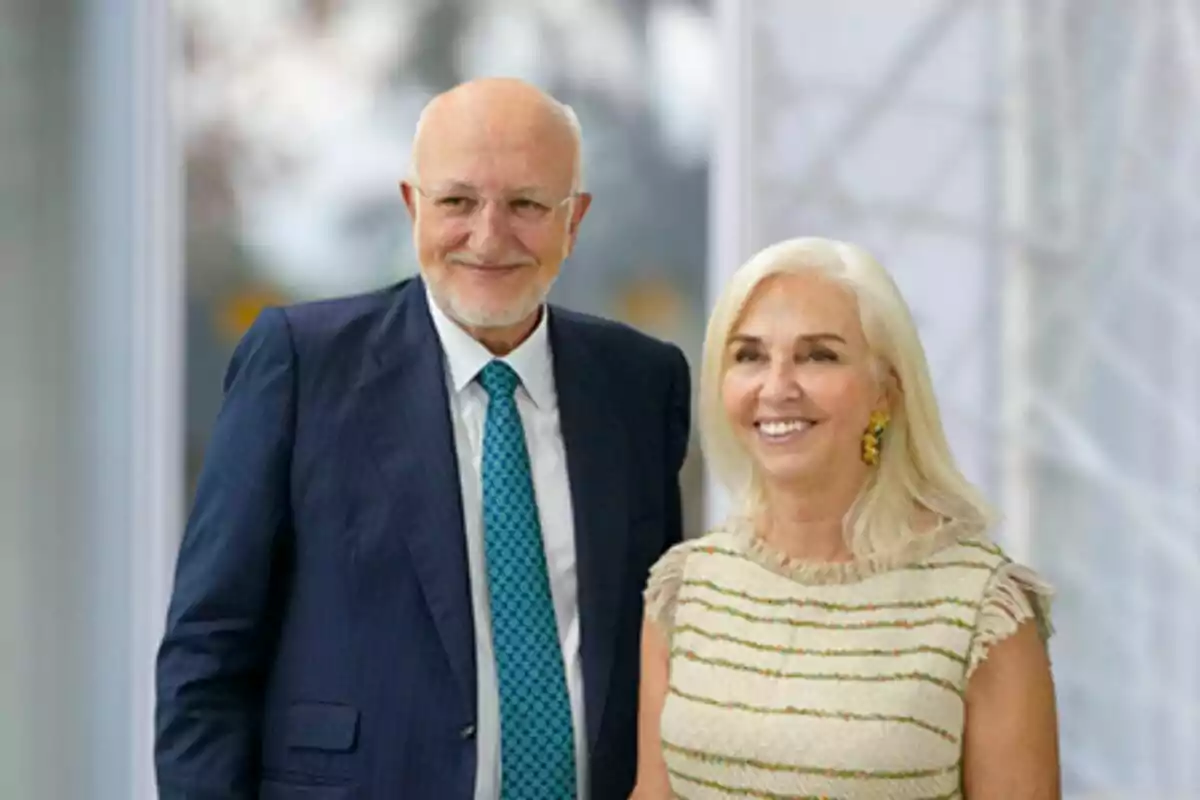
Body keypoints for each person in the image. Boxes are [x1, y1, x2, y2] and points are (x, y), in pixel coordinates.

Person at [155, 78, 691, 800]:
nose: (489, 235)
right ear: (414, 206)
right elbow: (208, 655)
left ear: (575, 220)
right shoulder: (300, 365)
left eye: (528, 204)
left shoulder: (640, 384)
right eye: (458, 201)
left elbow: (652, 647)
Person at [632, 237, 1060, 799]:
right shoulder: (687, 586)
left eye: (819, 355)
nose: (777, 387)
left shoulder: (981, 608)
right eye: (749, 355)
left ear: (886, 391)